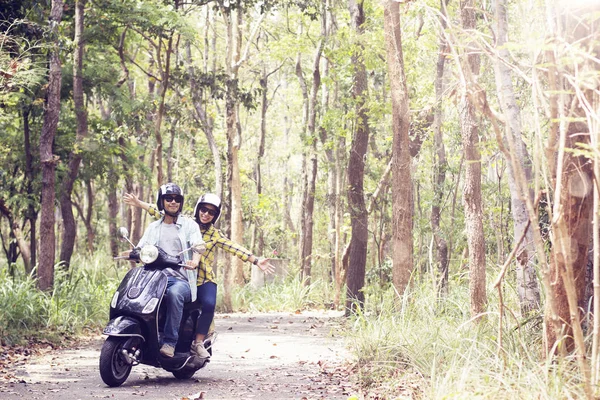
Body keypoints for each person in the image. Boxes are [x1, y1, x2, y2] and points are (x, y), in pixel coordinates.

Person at [123, 191, 275, 360]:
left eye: (211, 212)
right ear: (197, 209)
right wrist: (139, 203)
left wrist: (256, 260)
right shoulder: (184, 223)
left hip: (201, 278)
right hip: (177, 273)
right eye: (203, 210)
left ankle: (198, 342)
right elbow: (161, 212)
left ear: (215, 216)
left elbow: (234, 247)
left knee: (209, 303)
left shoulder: (215, 235)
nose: (206, 214)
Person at [133, 183, 204, 358]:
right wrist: (134, 253)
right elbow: (141, 248)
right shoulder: (153, 227)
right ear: (161, 201)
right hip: (153, 277)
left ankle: (170, 343)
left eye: (177, 199)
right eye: (169, 198)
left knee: (175, 294)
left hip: (181, 279)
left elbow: (197, 246)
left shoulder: (190, 225)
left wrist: (194, 261)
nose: (173, 202)